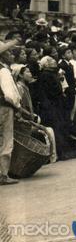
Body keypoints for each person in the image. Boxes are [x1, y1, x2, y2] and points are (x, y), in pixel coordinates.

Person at [0, 40, 21, 185]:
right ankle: (3, 174)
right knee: (6, 141)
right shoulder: (3, 70)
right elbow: (10, 94)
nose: (11, 54)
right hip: (3, 107)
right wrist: (18, 106)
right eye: (8, 52)